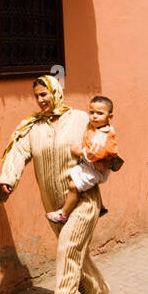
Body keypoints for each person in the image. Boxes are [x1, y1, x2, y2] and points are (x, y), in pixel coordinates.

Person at [0, 75, 109, 294]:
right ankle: (96, 292)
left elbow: (104, 136)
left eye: (45, 93)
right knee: (74, 252)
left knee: (67, 250)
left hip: (83, 201)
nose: (42, 99)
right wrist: (7, 180)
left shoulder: (81, 119)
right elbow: (17, 153)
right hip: (54, 208)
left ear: (56, 92)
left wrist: (108, 158)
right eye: (37, 96)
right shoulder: (32, 128)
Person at [47, 95, 118, 225]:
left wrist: (79, 151)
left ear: (110, 117)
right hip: (92, 165)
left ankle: (64, 213)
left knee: (73, 186)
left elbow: (96, 153)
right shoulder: (96, 126)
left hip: (96, 167)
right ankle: (101, 206)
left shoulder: (103, 134)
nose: (94, 116)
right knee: (78, 176)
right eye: (92, 112)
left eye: (100, 113)